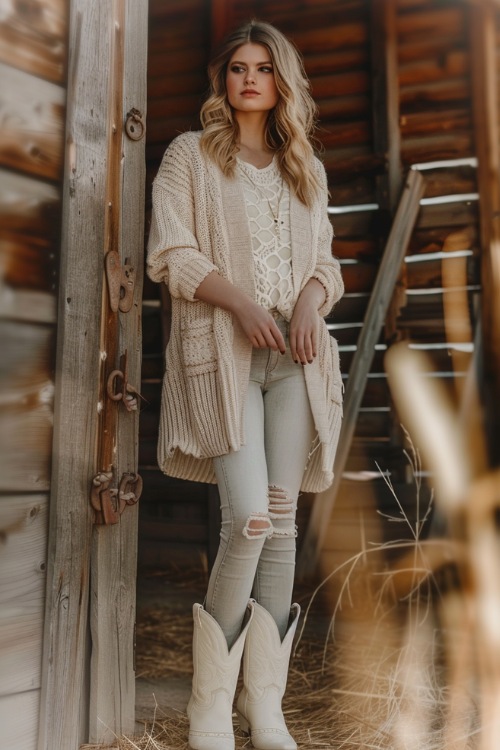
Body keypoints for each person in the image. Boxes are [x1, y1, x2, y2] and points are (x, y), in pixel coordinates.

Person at [147, 19, 344, 750]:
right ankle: (209, 711)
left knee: (284, 526)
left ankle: (266, 710)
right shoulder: (189, 157)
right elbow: (172, 250)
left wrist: (304, 304)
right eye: (238, 67)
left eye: (263, 67)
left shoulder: (305, 168)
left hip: (296, 365)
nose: (250, 78)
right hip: (224, 358)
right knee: (248, 522)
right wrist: (243, 303)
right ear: (223, 80)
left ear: (281, 81)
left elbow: (328, 264)